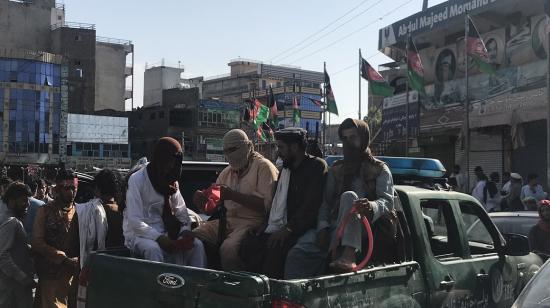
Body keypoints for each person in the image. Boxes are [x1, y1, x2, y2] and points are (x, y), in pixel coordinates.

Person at [285, 118, 399, 278]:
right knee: (297, 254)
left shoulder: (379, 169)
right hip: (335, 226)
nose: (348, 143)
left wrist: (371, 206)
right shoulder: (337, 169)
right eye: (344, 138)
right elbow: (326, 203)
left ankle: (349, 254)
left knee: (349, 197)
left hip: (366, 229)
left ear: (363, 138)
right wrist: (323, 228)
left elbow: (387, 201)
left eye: (353, 137)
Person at [240, 128, 327, 278]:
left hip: (302, 228)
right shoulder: (286, 169)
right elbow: (276, 203)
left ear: (294, 147)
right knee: (249, 244)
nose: (278, 152)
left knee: (275, 251)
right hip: (282, 227)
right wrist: (264, 225)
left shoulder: (316, 167)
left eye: (281, 147)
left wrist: (288, 229)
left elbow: (311, 206)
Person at [193, 129, 278, 271]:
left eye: (232, 149)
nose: (229, 155)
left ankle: (235, 288)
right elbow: (212, 208)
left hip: (253, 222)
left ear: (248, 146)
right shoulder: (226, 173)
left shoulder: (264, 168)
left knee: (228, 249)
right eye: (226, 151)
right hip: (227, 221)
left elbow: (267, 207)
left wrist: (233, 195)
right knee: (192, 236)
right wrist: (202, 203)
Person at [124, 137, 206, 267]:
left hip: (168, 232)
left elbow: (181, 212)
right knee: (153, 249)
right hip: (141, 235)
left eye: (175, 162)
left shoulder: (172, 181)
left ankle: (198, 285)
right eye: (169, 162)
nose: (171, 166)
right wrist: (159, 238)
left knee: (197, 245)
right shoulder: (137, 180)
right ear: (161, 159)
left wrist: (185, 231)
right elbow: (135, 221)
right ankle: (159, 287)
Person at [32, 169, 80, 308]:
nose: (71, 192)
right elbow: (37, 242)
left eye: (74, 188)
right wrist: (62, 258)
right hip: (51, 276)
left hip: (73, 278)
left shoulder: (80, 211)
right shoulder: (45, 211)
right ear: (58, 189)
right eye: (67, 188)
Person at [77, 169, 124, 269]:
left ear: (97, 189)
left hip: (95, 268)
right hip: (120, 267)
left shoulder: (87, 211)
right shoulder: (125, 213)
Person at [0, 182, 35, 308]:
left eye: (28, 200)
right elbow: (2, 255)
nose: (28, 204)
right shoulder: (11, 222)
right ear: (12, 201)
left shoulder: (12, 220)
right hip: (13, 291)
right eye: (23, 200)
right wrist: (23, 278)